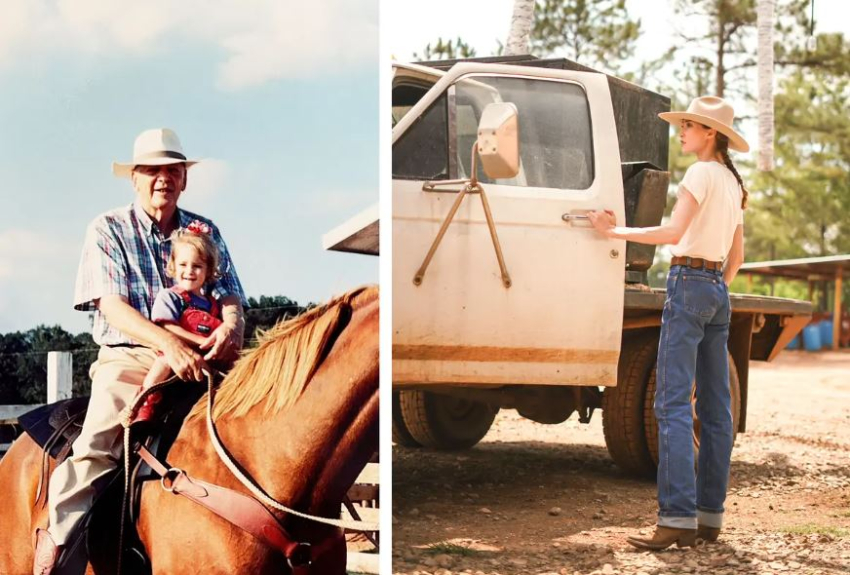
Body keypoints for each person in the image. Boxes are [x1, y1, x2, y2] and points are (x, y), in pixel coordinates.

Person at [33, 128, 247, 575]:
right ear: (134, 178)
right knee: (98, 447)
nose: (162, 178)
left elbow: (230, 294)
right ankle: (58, 553)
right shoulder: (107, 228)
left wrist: (231, 325)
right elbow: (112, 305)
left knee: (261, 424)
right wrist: (167, 342)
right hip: (132, 356)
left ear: (184, 179)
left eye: (172, 170)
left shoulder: (204, 230)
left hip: (206, 356)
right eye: (151, 170)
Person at [587, 96, 748, 550]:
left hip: (690, 281)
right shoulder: (735, 182)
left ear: (709, 133)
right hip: (717, 289)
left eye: (689, 126)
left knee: (672, 404)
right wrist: (713, 285)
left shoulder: (700, 174)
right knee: (716, 410)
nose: (681, 132)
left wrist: (612, 232)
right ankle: (708, 518)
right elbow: (737, 257)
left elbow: (673, 234)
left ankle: (676, 517)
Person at [134, 221, 224, 423]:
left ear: (208, 271)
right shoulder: (170, 297)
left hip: (204, 360)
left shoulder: (213, 304)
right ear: (173, 266)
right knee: (163, 362)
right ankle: (144, 402)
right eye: (183, 265)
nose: (189, 271)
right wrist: (200, 340)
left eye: (197, 266)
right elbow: (167, 327)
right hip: (175, 353)